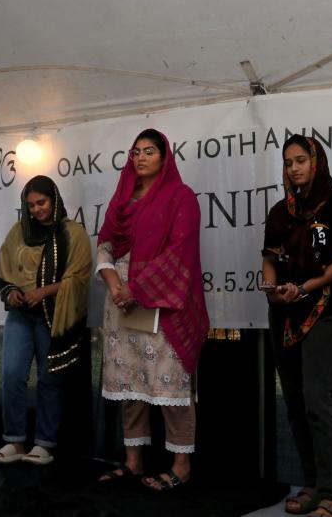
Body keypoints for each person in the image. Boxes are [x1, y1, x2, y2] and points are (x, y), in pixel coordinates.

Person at [96, 128, 209, 492]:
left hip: (161, 307)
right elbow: (105, 245)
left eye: (149, 151)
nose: (141, 158)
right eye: (136, 152)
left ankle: (181, 465)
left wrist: (137, 289)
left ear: (164, 156)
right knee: (130, 388)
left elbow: (180, 252)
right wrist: (115, 285)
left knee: (170, 388)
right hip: (120, 306)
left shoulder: (181, 197)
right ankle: (133, 462)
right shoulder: (122, 200)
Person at [262, 135, 332, 517]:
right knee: (294, 401)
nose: (294, 168)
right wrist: (273, 290)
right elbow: (270, 259)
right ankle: (310, 485)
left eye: (301, 160)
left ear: (317, 162)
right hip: (283, 313)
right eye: (288, 162)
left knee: (317, 398)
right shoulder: (279, 212)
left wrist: (305, 286)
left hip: (324, 309)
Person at [0, 175, 92, 465]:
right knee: (12, 376)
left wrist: (44, 292)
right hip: (21, 316)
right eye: (31, 204)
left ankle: (44, 445)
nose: (36, 209)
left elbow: (80, 278)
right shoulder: (18, 231)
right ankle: (14, 441)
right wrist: (11, 293)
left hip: (54, 317)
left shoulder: (73, 233)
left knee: (50, 379)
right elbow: (4, 273)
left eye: (42, 202)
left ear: (55, 200)